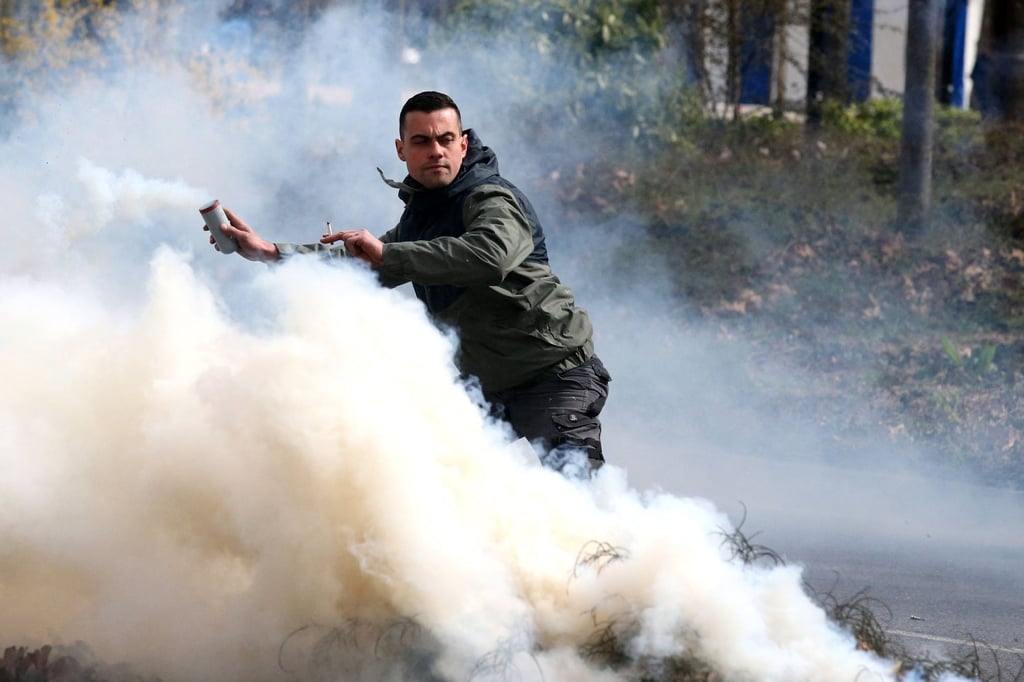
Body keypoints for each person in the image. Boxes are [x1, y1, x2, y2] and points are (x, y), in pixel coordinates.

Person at [205, 90, 610, 475]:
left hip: (553, 377)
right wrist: (270, 252)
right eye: (421, 141)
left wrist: (388, 255)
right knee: (429, 489)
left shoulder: (489, 198)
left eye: (446, 139)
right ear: (401, 150)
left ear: (463, 145)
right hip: (484, 390)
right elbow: (357, 268)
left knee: (575, 497)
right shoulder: (422, 218)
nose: (435, 151)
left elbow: (491, 255)